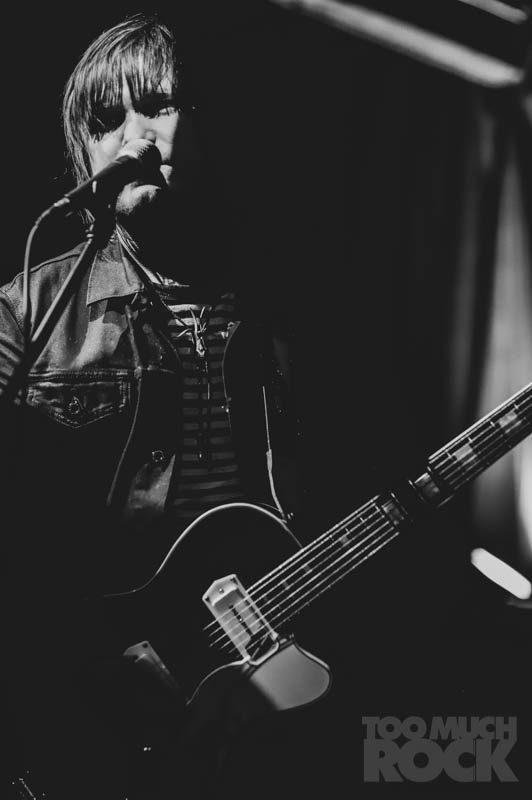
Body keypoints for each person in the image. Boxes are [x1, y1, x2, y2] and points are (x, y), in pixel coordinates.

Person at [0, 13, 299, 800]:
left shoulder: (285, 305)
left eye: (158, 107)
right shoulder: (25, 314)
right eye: (106, 122)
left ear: (208, 123)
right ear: (84, 155)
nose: (131, 136)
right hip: (85, 692)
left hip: (258, 683)